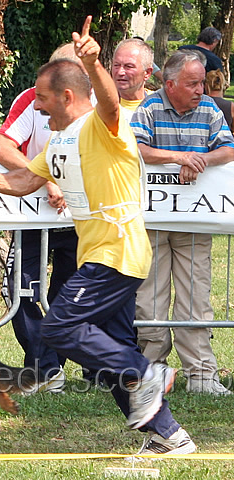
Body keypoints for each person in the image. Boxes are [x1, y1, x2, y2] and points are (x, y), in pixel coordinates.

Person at [0, 16, 196, 457]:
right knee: (110, 352)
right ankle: (168, 435)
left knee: (60, 325)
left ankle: (146, 372)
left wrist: (93, 63)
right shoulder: (58, 140)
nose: (38, 107)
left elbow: (107, 102)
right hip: (101, 253)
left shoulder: (105, 127)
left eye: (43, 99)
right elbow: (26, 181)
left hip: (118, 251)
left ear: (67, 96)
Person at [131, 49, 234, 395]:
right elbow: (136, 149)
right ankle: (152, 374)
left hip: (195, 223)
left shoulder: (209, 110)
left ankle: (202, 376)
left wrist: (201, 159)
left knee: (196, 297)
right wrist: (179, 157)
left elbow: (229, 149)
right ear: (169, 84)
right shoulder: (147, 109)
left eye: (202, 82)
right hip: (153, 223)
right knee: (150, 300)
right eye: (192, 83)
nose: (201, 90)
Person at [0, 43, 82, 394]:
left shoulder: (100, 111)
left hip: (81, 221)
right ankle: (46, 368)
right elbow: (2, 147)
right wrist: (46, 178)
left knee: (68, 295)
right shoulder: (31, 98)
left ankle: (57, 368)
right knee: (17, 287)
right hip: (33, 216)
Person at [111, 38, 153, 115]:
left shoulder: (160, 106)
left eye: (128, 66)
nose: (120, 72)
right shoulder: (99, 104)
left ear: (147, 73)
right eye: (116, 65)